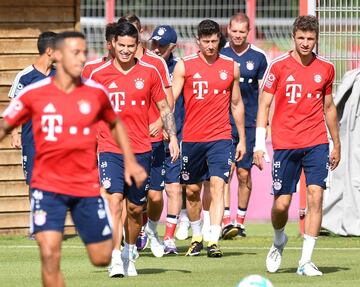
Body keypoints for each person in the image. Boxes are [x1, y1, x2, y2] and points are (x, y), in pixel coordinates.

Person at [0, 31, 147, 287]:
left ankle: (116, 253)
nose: (79, 60)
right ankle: (114, 258)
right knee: (49, 251)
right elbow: (7, 122)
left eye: (82, 53)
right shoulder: (34, 91)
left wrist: (132, 161)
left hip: (81, 183)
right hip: (46, 182)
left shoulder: (94, 91)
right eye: (73, 54)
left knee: (99, 254)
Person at [253, 15, 341, 276]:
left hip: (316, 143)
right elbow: (264, 105)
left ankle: (305, 261)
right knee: (281, 204)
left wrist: (336, 143)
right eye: (301, 38)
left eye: (310, 39)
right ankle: (279, 239)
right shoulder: (278, 66)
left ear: (316, 40)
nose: (305, 43)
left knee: (316, 196)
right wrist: (259, 144)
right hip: (285, 144)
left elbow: (328, 107)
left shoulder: (326, 68)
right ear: (293, 37)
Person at [90, 22, 179, 277]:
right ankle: (116, 257)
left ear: (137, 45)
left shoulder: (150, 72)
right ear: (113, 45)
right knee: (115, 201)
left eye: (131, 46)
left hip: (141, 149)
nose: (126, 51)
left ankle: (129, 250)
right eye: (122, 46)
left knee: (134, 208)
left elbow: (164, 108)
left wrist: (172, 137)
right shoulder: (98, 76)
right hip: (110, 148)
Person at [172, 19, 246, 257]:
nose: (211, 46)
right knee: (192, 191)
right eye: (206, 42)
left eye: (214, 41)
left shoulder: (231, 66)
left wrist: (242, 139)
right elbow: (171, 101)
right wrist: (167, 130)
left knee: (217, 186)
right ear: (198, 41)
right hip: (192, 138)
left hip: (221, 137)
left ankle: (213, 240)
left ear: (219, 39)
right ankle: (197, 236)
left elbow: (236, 103)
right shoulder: (185, 66)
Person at [118, 14, 175, 258]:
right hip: (123, 143)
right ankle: (125, 244)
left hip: (152, 140)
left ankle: (151, 229)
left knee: (154, 194)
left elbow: (168, 101)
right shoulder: (110, 65)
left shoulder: (156, 64)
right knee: (121, 197)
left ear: (139, 34)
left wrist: (159, 125)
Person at [220, 12, 268, 239]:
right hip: (222, 122)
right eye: (234, 31)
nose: (238, 35)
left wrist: (264, 125)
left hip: (248, 124)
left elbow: (264, 96)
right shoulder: (219, 54)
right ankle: (224, 221)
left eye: (242, 31)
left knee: (243, 173)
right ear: (227, 30)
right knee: (224, 173)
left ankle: (239, 221)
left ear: (248, 32)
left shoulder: (258, 57)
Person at [150, 25, 184, 254]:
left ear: (173, 47)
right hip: (148, 136)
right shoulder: (146, 66)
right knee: (148, 194)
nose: (156, 47)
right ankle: (147, 230)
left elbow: (173, 101)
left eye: (161, 45)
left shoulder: (180, 68)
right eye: (153, 42)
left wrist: (172, 131)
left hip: (174, 135)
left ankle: (169, 237)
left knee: (174, 189)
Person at [8, 31, 57, 193]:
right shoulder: (25, 77)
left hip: (57, 140)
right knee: (35, 186)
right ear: (49, 50)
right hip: (32, 141)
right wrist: (15, 134)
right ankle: (38, 218)